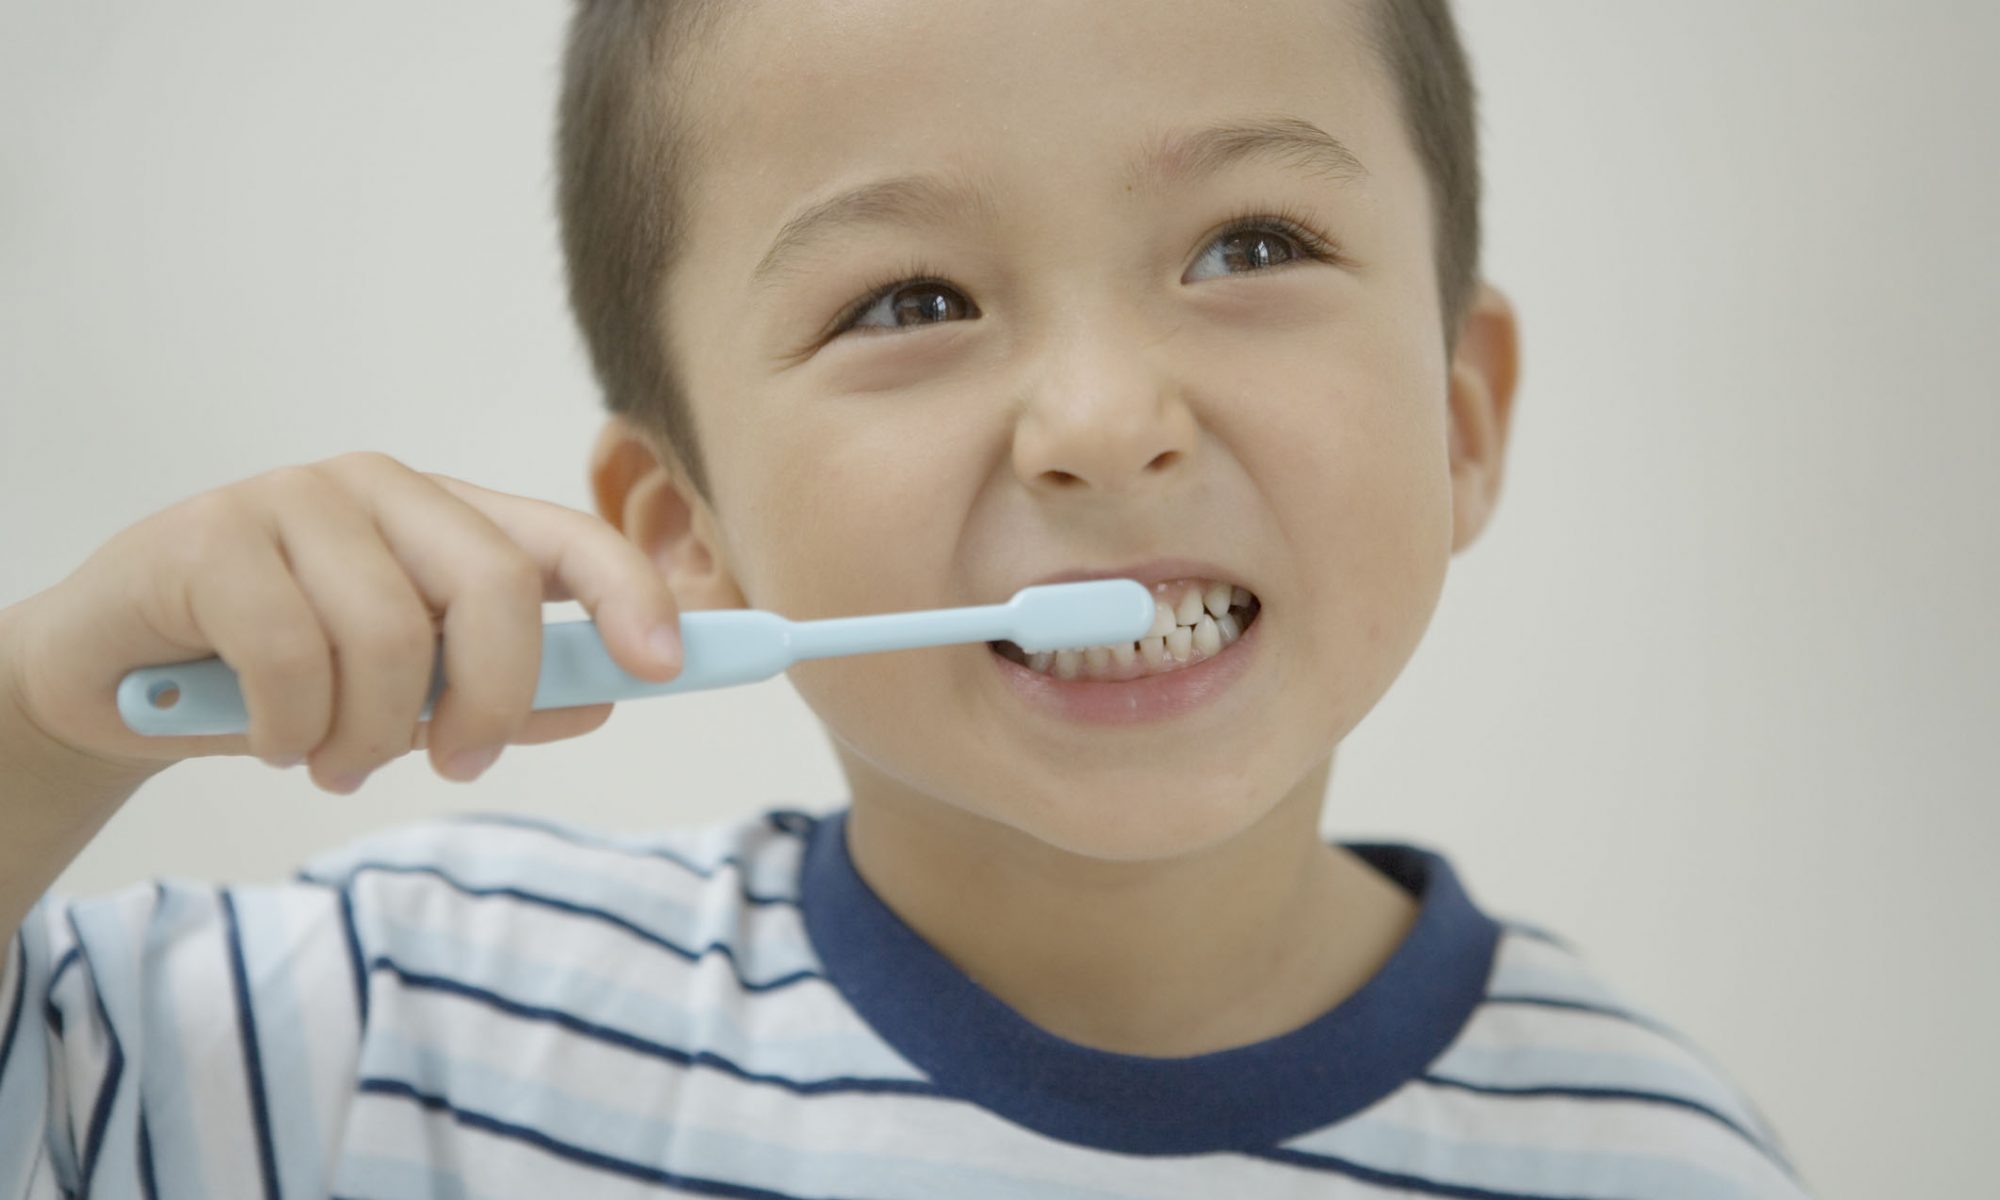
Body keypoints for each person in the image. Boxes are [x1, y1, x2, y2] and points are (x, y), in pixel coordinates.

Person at [0, 0, 1816, 1195]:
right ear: (688, 527)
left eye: (1251, 245)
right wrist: (38, 720)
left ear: (1460, 417)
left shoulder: (1657, 1164)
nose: (1102, 422)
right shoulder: (389, 1041)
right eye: (911, 302)